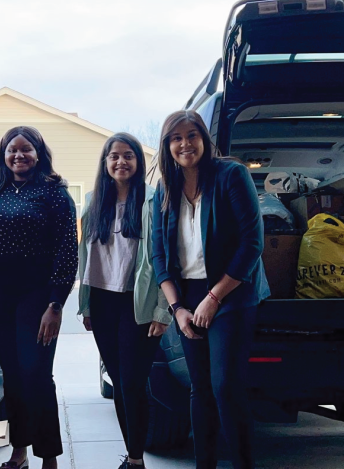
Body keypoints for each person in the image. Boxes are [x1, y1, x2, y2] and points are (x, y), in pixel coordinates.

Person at [150, 111, 268, 469]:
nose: (185, 144)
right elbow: (158, 256)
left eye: (191, 135)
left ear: (204, 138)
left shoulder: (231, 175)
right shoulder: (164, 189)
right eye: (176, 138)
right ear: (167, 146)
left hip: (231, 290)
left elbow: (252, 243)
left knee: (225, 388)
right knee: (198, 388)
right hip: (186, 295)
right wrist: (178, 309)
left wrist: (214, 298)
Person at [0, 126, 77, 469]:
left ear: (39, 154)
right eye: (12, 150)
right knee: (12, 374)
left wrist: (56, 304)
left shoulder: (55, 193)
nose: (19, 156)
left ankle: (49, 456)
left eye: (26, 150)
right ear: (3, 155)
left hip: (37, 294)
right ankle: (19, 451)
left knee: (36, 373)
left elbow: (67, 252)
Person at [77, 133, 171, 469]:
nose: (121, 162)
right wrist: (85, 305)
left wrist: (164, 309)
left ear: (138, 161)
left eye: (128, 155)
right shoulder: (93, 201)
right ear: (105, 163)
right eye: (114, 156)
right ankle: (133, 457)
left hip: (139, 303)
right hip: (102, 302)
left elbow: (163, 257)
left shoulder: (153, 199)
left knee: (132, 381)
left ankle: (135, 459)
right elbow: (86, 257)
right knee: (118, 381)